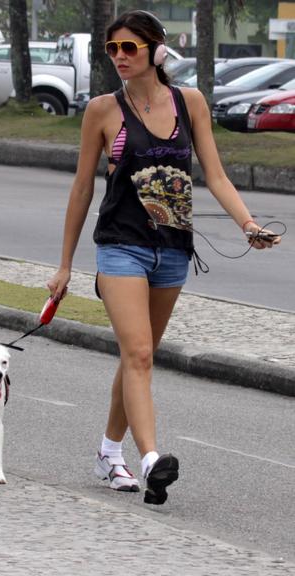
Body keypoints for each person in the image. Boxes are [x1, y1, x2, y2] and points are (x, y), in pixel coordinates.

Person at [47, 10, 281, 505]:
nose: (119, 58)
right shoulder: (102, 111)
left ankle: (109, 453)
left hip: (173, 250)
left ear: (156, 51)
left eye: (129, 48)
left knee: (138, 357)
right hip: (120, 247)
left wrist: (249, 225)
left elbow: (214, 175)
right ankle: (152, 459)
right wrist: (65, 265)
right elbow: (81, 189)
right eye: (113, 50)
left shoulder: (189, 102)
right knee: (138, 354)